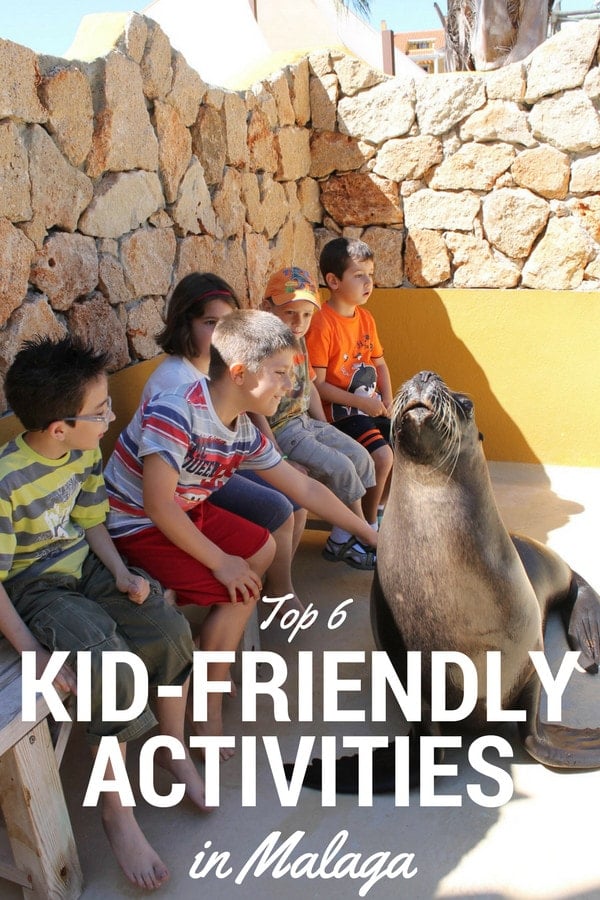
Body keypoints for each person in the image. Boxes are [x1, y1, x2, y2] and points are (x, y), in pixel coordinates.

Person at [104, 309, 377, 754]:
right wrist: (220, 562)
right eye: (281, 374)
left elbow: (303, 486)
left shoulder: (244, 429)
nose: (291, 386)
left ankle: (213, 652)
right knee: (243, 586)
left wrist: (370, 533)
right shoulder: (177, 412)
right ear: (239, 373)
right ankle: (206, 709)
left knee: (260, 550)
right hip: (135, 524)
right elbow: (155, 504)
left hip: (184, 512)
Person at [0, 336, 207, 891]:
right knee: (107, 665)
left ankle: (171, 747)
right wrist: (34, 653)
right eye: (100, 412)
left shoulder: (84, 450)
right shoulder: (6, 482)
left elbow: (92, 522)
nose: (112, 417)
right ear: (57, 427)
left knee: (168, 629)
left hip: (86, 567)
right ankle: (117, 811)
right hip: (36, 587)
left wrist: (119, 572)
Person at [142, 272, 306, 613]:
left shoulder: (217, 365)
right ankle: (273, 596)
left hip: (216, 465)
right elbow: (170, 483)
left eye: (227, 323)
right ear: (184, 324)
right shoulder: (175, 382)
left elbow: (245, 411)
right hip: (194, 478)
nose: (220, 334)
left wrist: (275, 453)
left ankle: (277, 589)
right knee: (280, 506)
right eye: (210, 323)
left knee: (296, 488)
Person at [262, 266, 377, 570]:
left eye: (306, 314)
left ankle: (349, 531)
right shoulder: (262, 349)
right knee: (339, 467)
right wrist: (276, 450)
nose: (298, 323)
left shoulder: (298, 341)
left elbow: (310, 383)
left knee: (360, 456)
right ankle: (355, 534)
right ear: (267, 308)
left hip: (306, 423)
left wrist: (324, 426)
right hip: (283, 430)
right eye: (290, 313)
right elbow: (253, 410)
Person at [305, 237, 394, 528]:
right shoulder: (321, 323)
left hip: (370, 408)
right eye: (359, 276)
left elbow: (379, 364)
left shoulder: (366, 318)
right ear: (333, 280)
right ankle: (365, 529)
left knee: (406, 446)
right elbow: (317, 385)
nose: (368, 282)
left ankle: (380, 510)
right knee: (382, 457)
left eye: (370, 274)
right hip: (341, 415)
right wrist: (363, 403)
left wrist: (389, 402)